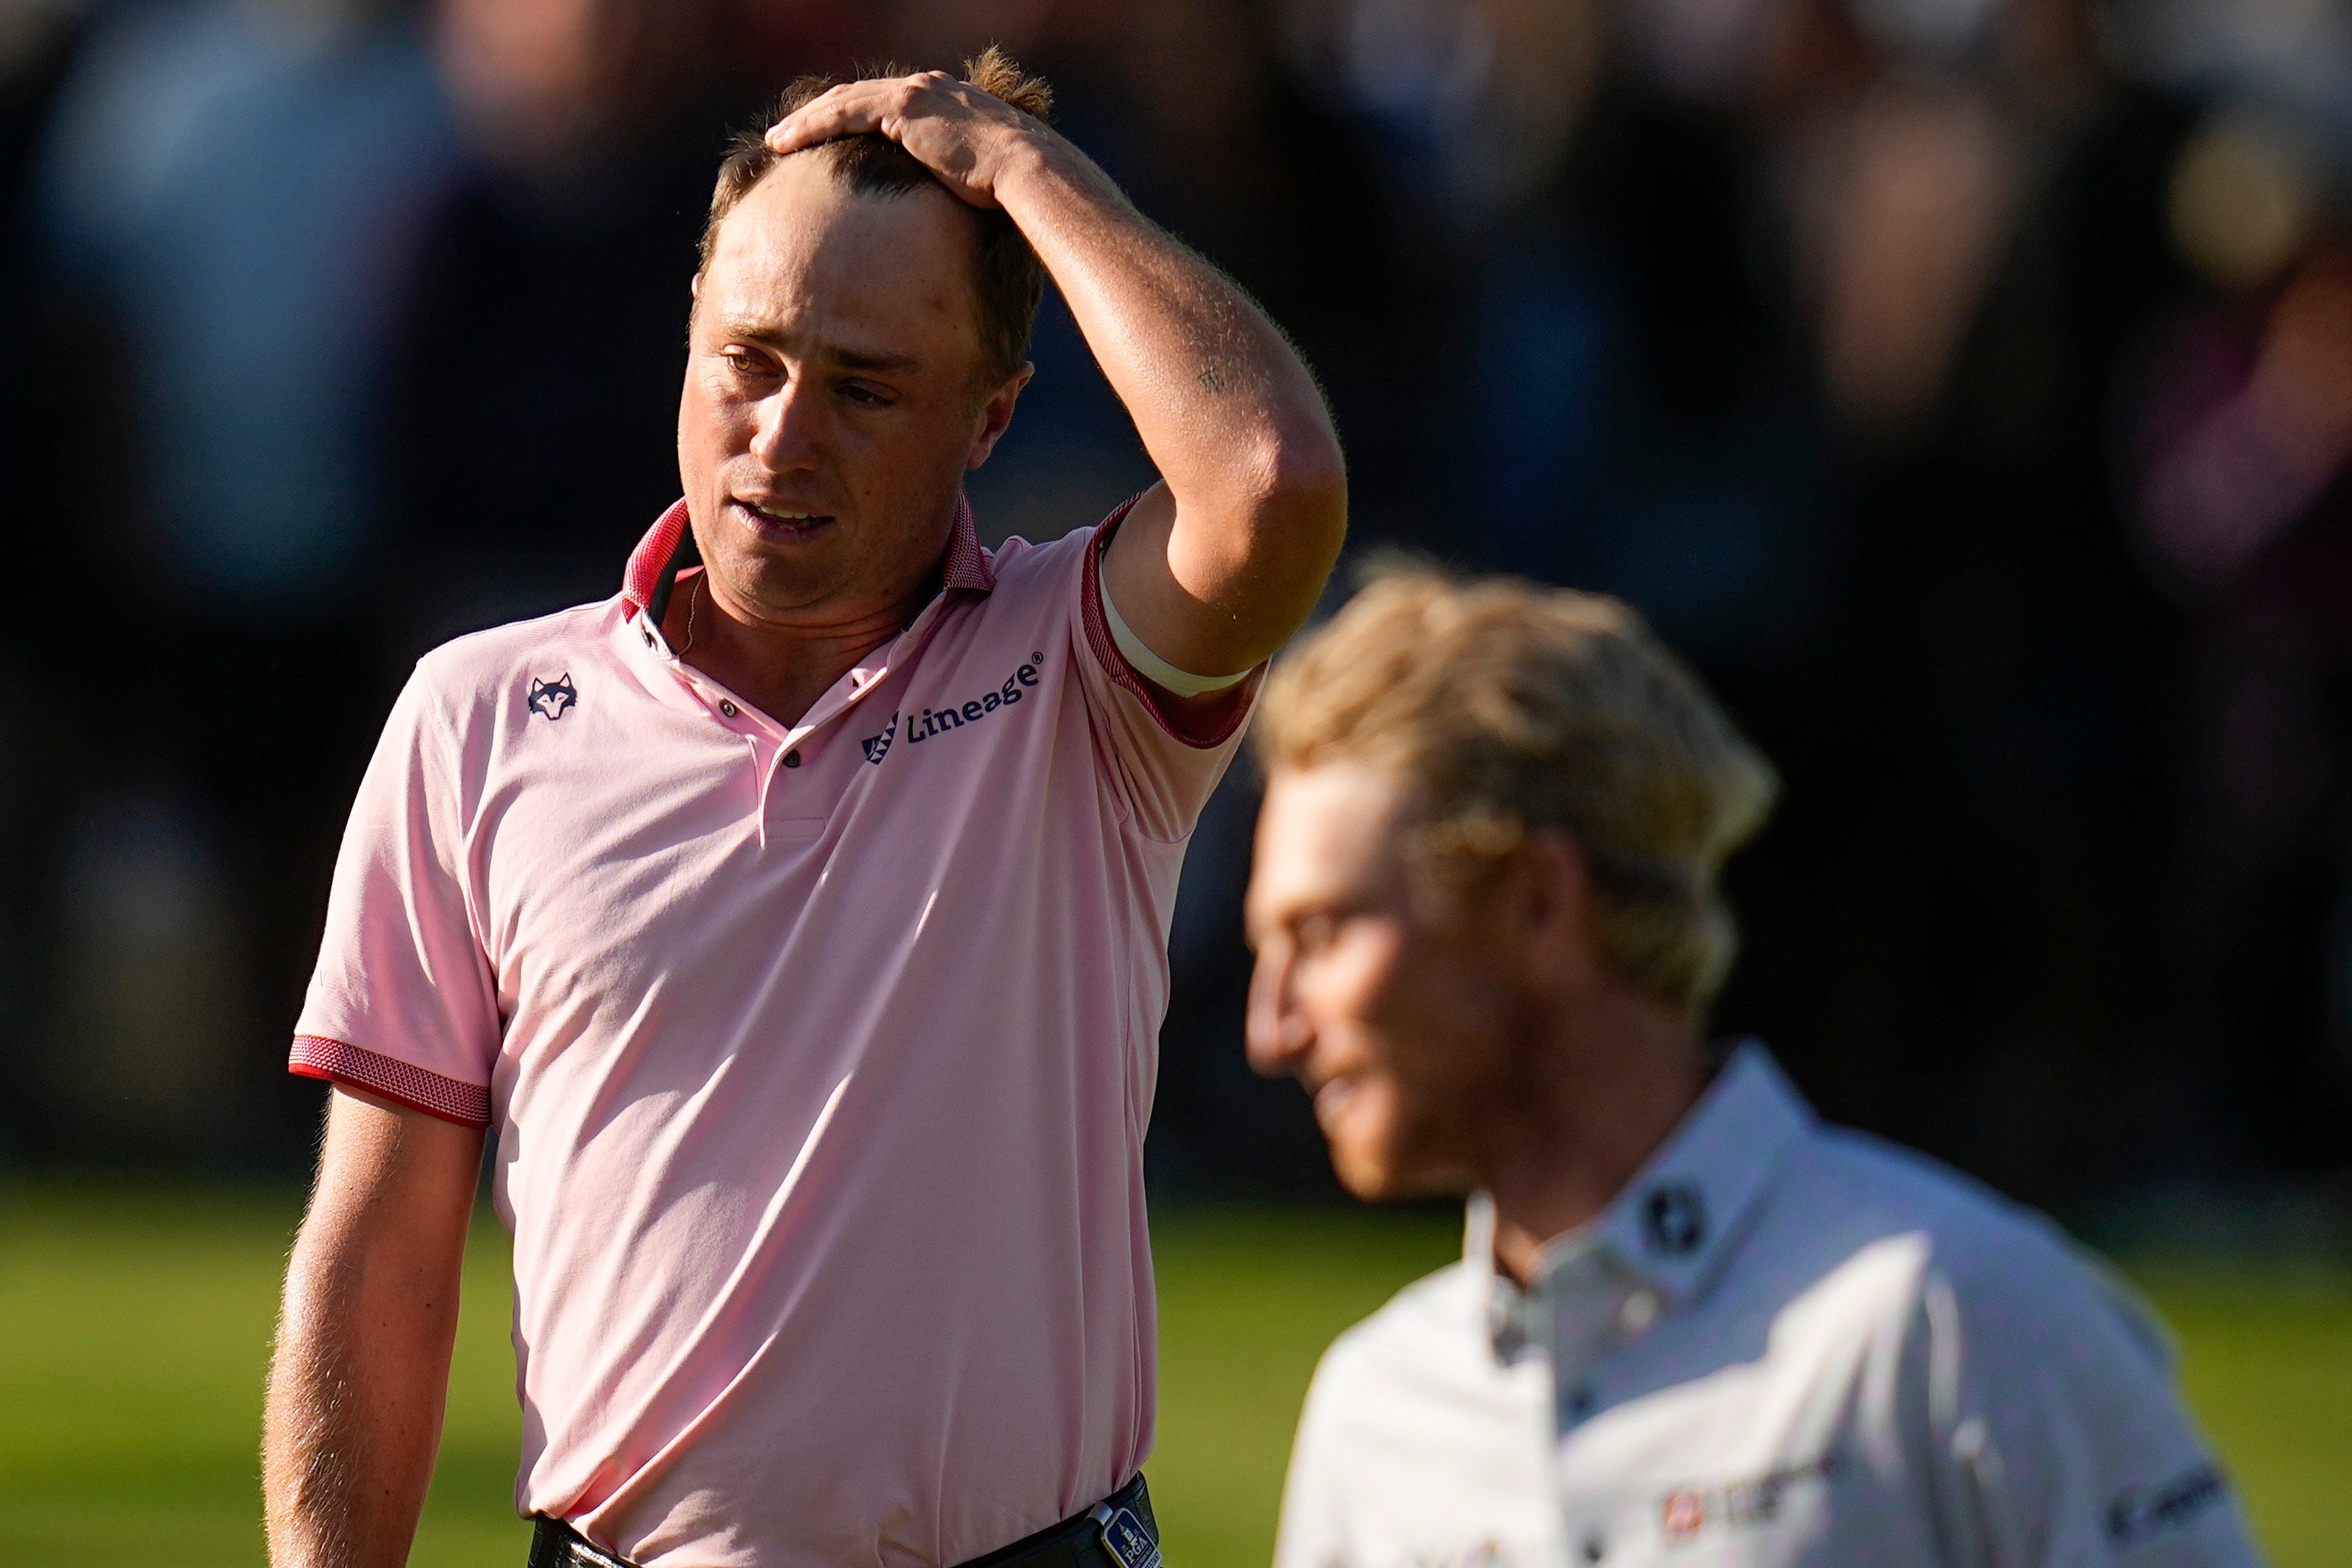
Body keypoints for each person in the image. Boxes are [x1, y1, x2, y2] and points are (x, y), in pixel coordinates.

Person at [261, 50, 1346, 1568]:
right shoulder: (478, 713)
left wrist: (1029, 172)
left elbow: (1271, 478)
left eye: (866, 387)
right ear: (685, 340)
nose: (784, 434)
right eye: (749, 361)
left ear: (991, 418)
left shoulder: (1076, 672)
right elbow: (377, 1250)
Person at [1243, 570, 2263, 1568]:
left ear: (1540, 902)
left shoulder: (1953, 1313)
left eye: (1322, 934)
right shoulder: (1372, 1411)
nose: (1271, 1029)